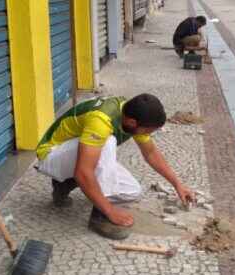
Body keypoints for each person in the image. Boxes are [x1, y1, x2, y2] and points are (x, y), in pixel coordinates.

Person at [36, 94, 195, 240]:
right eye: (147, 130)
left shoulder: (131, 114)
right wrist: (110, 211)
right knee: (107, 142)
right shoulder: (101, 120)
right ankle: (99, 217)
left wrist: (178, 185)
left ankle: (66, 183)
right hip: (51, 154)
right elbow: (83, 171)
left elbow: (151, 153)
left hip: (77, 155)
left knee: (132, 191)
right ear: (132, 122)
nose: (148, 134)